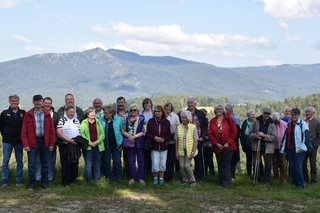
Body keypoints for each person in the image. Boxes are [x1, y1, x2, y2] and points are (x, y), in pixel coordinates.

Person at [21, 95, 56, 189]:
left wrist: (52, 144)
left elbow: (52, 131)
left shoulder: (47, 114)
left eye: (39, 101)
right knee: (32, 164)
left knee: (45, 163)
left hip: (45, 141)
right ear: (33, 102)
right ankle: (32, 183)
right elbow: (24, 131)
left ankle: (44, 183)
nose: (38, 103)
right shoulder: (28, 114)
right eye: (36, 101)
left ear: (42, 102)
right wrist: (26, 144)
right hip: (32, 142)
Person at [208, 105, 237, 188]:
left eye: (220, 109)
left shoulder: (228, 119)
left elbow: (234, 131)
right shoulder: (213, 121)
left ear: (223, 110)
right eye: (217, 109)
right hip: (218, 146)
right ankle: (221, 181)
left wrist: (228, 142)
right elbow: (210, 134)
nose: (218, 110)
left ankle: (226, 182)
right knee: (220, 164)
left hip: (228, 146)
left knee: (226, 164)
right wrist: (216, 143)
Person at [0, 95, 26, 188]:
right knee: (5, 162)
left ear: (18, 102)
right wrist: (5, 135)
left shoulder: (23, 113)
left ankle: (19, 181)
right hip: (7, 141)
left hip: (19, 141)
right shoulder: (4, 113)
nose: (14, 102)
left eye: (16, 101)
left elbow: (25, 127)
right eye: (12, 101)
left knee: (19, 161)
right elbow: (1, 127)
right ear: (9, 102)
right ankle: (4, 181)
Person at [280, 108, 309, 188]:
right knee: (292, 167)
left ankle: (301, 184)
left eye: (295, 115)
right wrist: (283, 149)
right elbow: (285, 137)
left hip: (299, 149)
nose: (294, 116)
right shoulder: (289, 124)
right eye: (292, 115)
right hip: (290, 149)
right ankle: (294, 183)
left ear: (298, 115)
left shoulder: (302, 124)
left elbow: (306, 136)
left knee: (298, 167)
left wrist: (303, 147)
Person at [249, 108, 277, 185]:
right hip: (256, 146)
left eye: (268, 113)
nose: (266, 115)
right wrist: (256, 135)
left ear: (270, 114)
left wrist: (264, 136)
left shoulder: (272, 123)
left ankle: (267, 181)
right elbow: (250, 134)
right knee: (256, 163)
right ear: (262, 113)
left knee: (268, 165)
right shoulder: (256, 121)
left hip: (268, 148)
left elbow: (274, 137)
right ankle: (256, 179)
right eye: (265, 113)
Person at [56, 106, 81, 185]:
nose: (72, 113)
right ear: (66, 112)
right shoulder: (62, 120)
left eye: (73, 112)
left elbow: (79, 132)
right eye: (70, 112)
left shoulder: (76, 121)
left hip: (75, 145)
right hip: (65, 145)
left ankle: (73, 180)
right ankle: (65, 182)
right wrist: (68, 140)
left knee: (74, 163)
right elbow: (59, 133)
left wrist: (76, 141)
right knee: (65, 163)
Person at [35, 97, 59, 182]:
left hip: (52, 141)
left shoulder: (55, 115)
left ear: (51, 104)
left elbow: (57, 128)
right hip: (40, 140)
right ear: (42, 103)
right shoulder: (37, 113)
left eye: (49, 103)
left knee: (50, 160)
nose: (47, 104)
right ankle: (38, 177)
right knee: (38, 160)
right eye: (46, 103)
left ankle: (50, 177)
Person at [147, 105, 171, 185]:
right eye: (155, 111)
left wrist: (163, 139)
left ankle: (161, 179)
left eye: (158, 111)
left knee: (162, 164)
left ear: (162, 112)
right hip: (154, 146)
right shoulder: (151, 121)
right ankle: (155, 178)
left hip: (164, 146)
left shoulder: (167, 122)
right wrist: (155, 137)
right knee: (155, 163)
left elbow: (169, 134)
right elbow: (148, 133)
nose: (157, 113)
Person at [122, 103, 146, 185]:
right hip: (130, 143)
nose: (133, 111)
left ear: (138, 111)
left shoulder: (142, 119)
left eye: (135, 110)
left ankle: (141, 178)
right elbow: (123, 130)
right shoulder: (126, 119)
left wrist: (134, 136)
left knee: (141, 161)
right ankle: (132, 178)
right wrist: (129, 136)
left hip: (139, 143)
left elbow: (144, 131)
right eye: (131, 110)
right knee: (131, 161)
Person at [80, 107, 105, 182]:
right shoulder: (84, 122)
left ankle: (97, 179)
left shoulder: (98, 122)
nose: (93, 115)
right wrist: (89, 142)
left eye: (94, 114)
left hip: (98, 146)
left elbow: (102, 134)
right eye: (91, 114)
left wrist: (97, 142)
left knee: (97, 164)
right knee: (89, 165)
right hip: (88, 147)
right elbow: (82, 134)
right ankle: (89, 180)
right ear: (87, 114)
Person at [186, 97, 208, 180]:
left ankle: (199, 176)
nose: (190, 104)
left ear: (195, 103)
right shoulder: (184, 113)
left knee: (198, 159)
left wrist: (202, 137)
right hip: (187, 140)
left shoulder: (200, 113)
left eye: (192, 102)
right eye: (189, 102)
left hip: (197, 140)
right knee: (187, 159)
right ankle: (188, 176)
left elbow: (205, 126)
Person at [100, 105, 123, 182]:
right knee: (107, 162)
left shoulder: (118, 120)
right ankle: (108, 178)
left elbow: (122, 131)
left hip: (116, 144)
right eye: (104, 113)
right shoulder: (101, 120)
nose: (105, 114)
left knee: (117, 161)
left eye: (106, 113)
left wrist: (121, 142)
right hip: (106, 145)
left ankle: (119, 177)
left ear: (111, 113)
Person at [175, 110, 198, 186]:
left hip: (190, 151)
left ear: (188, 118)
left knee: (187, 166)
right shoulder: (178, 127)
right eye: (182, 118)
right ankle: (185, 180)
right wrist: (177, 152)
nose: (182, 119)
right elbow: (177, 141)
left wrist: (193, 151)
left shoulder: (193, 127)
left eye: (184, 118)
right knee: (181, 166)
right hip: (181, 151)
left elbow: (195, 141)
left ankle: (192, 180)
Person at [303, 106, 320, 183]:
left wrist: (315, 145)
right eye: (306, 111)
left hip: (313, 146)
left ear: (313, 113)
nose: (307, 113)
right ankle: (305, 179)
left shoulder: (317, 122)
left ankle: (313, 179)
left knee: (312, 163)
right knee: (303, 162)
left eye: (309, 111)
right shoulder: (302, 122)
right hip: (304, 146)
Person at [164, 102, 180, 181]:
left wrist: (176, 137)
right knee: (164, 159)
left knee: (171, 159)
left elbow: (178, 128)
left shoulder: (175, 116)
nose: (168, 109)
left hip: (173, 141)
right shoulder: (162, 116)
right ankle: (164, 175)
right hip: (164, 141)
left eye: (169, 107)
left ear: (171, 108)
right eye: (166, 107)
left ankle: (170, 176)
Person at [225, 103, 240, 178]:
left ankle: (232, 174)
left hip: (234, 141)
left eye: (226, 109)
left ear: (230, 110)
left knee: (234, 158)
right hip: (226, 141)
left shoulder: (235, 118)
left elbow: (236, 131)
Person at [272, 112, 288, 183]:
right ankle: (276, 177)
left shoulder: (284, 124)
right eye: (274, 121)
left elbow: (287, 135)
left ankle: (283, 178)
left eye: (277, 121)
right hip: (273, 147)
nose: (276, 122)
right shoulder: (272, 124)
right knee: (274, 162)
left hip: (282, 147)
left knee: (282, 163)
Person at [115, 96, 129, 177]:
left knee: (127, 157)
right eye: (119, 102)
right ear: (117, 103)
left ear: (124, 103)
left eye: (122, 102)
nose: (120, 104)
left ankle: (127, 173)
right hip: (117, 138)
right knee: (117, 157)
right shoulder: (114, 114)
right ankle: (118, 174)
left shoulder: (129, 113)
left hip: (127, 137)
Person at [240, 109, 256, 176]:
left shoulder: (257, 122)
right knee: (248, 160)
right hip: (247, 145)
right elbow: (242, 135)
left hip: (255, 145)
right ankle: (249, 174)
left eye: (254, 114)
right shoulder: (244, 123)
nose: (253, 116)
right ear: (248, 115)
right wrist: (243, 145)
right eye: (251, 114)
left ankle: (257, 174)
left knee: (256, 161)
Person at [140, 98, 154, 174]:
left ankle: (150, 170)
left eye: (148, 103)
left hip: (152, 135)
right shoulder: (141, 113)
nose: (147, 105)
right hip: (143, 135)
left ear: (151, 104)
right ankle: (144, 170)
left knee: (151, 153)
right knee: (144, 153)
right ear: (143, 105)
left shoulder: (153, 113)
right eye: (145, 104)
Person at [201, 108, 215, 176]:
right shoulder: (200, 124)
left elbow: (211, 135)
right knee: (203, 160)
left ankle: (212, 173)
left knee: (209, 159)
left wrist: (203, 137)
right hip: (202, 145)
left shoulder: (208, 124)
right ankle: (204, 172)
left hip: (209, 145)